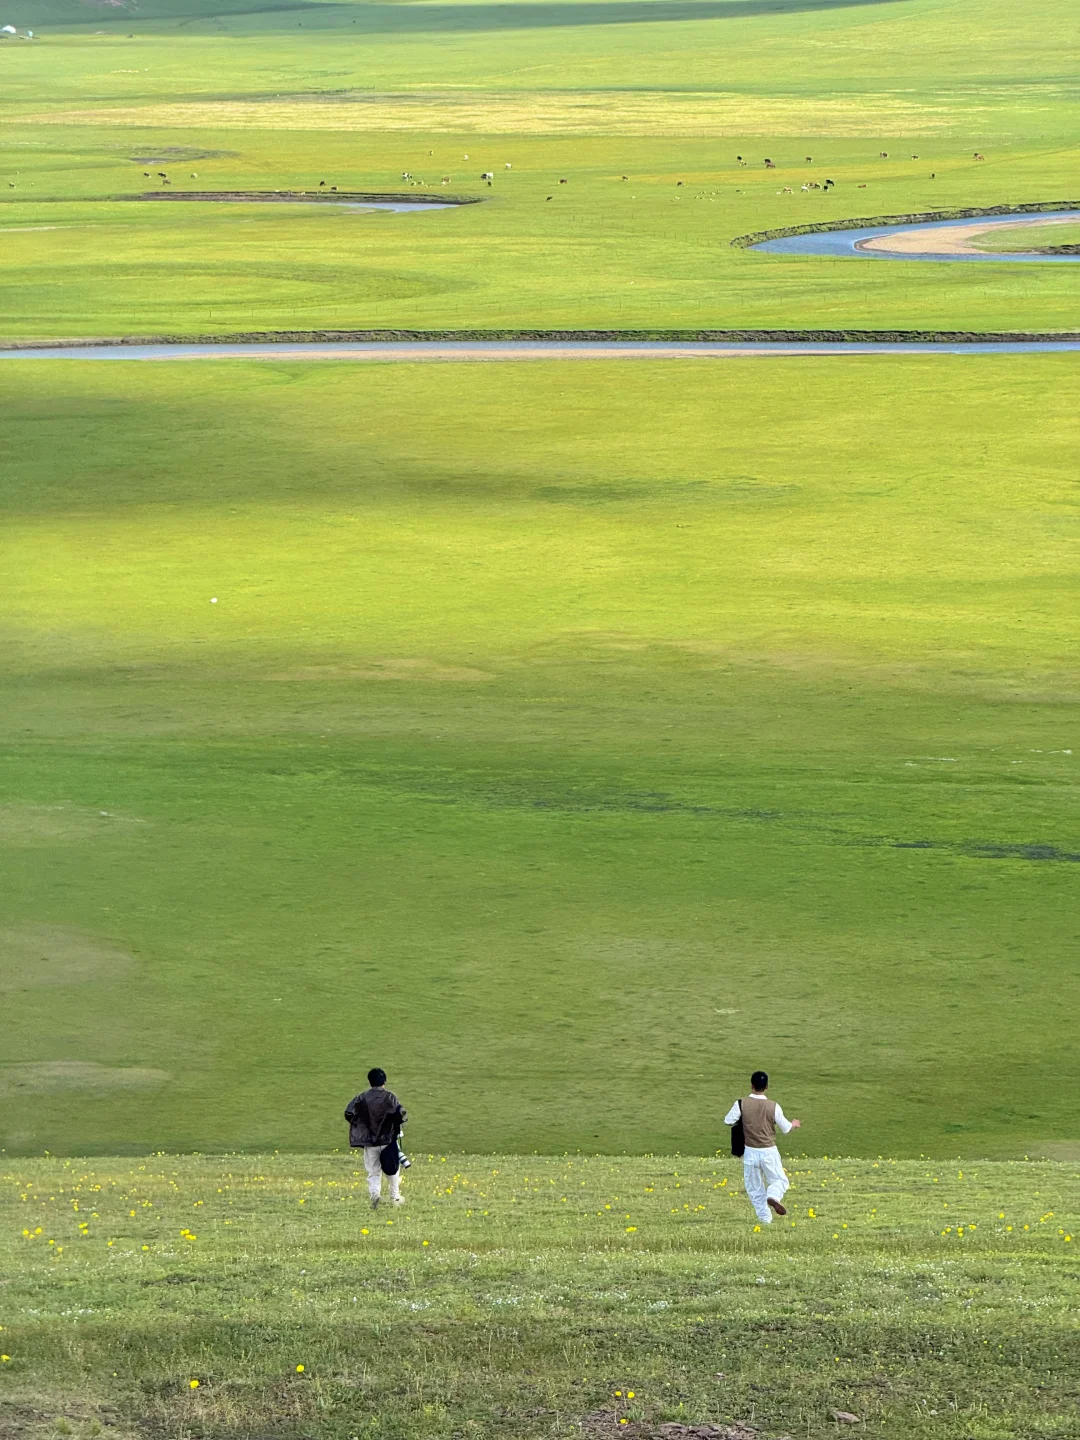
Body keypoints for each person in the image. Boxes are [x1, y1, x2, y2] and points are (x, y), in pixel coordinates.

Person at [725, 1070, 801, 1224]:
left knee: (754, 1188)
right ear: (766, 1086)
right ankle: (773, 1195)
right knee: (780, 1181)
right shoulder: (773, 1106)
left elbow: (728, 1120)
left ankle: (765, 1219)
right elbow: (786, 1128)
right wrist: (794, 1124)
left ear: (751, 1085)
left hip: (750, 1152)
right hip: (769, 1151)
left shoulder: (741, 1103)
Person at [345, 1067, 407, 1209]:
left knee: (373, 1171)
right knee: (393, 1169)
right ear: (384, 1081)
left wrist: (360, 1124)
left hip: (369, 1141)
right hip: (388, 1140)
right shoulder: (390, 1097)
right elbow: (401, 1114)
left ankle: (375, 1195)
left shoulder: (362, 1097)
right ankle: (395, 1197)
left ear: (370, 1081)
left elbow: (349, 1112)